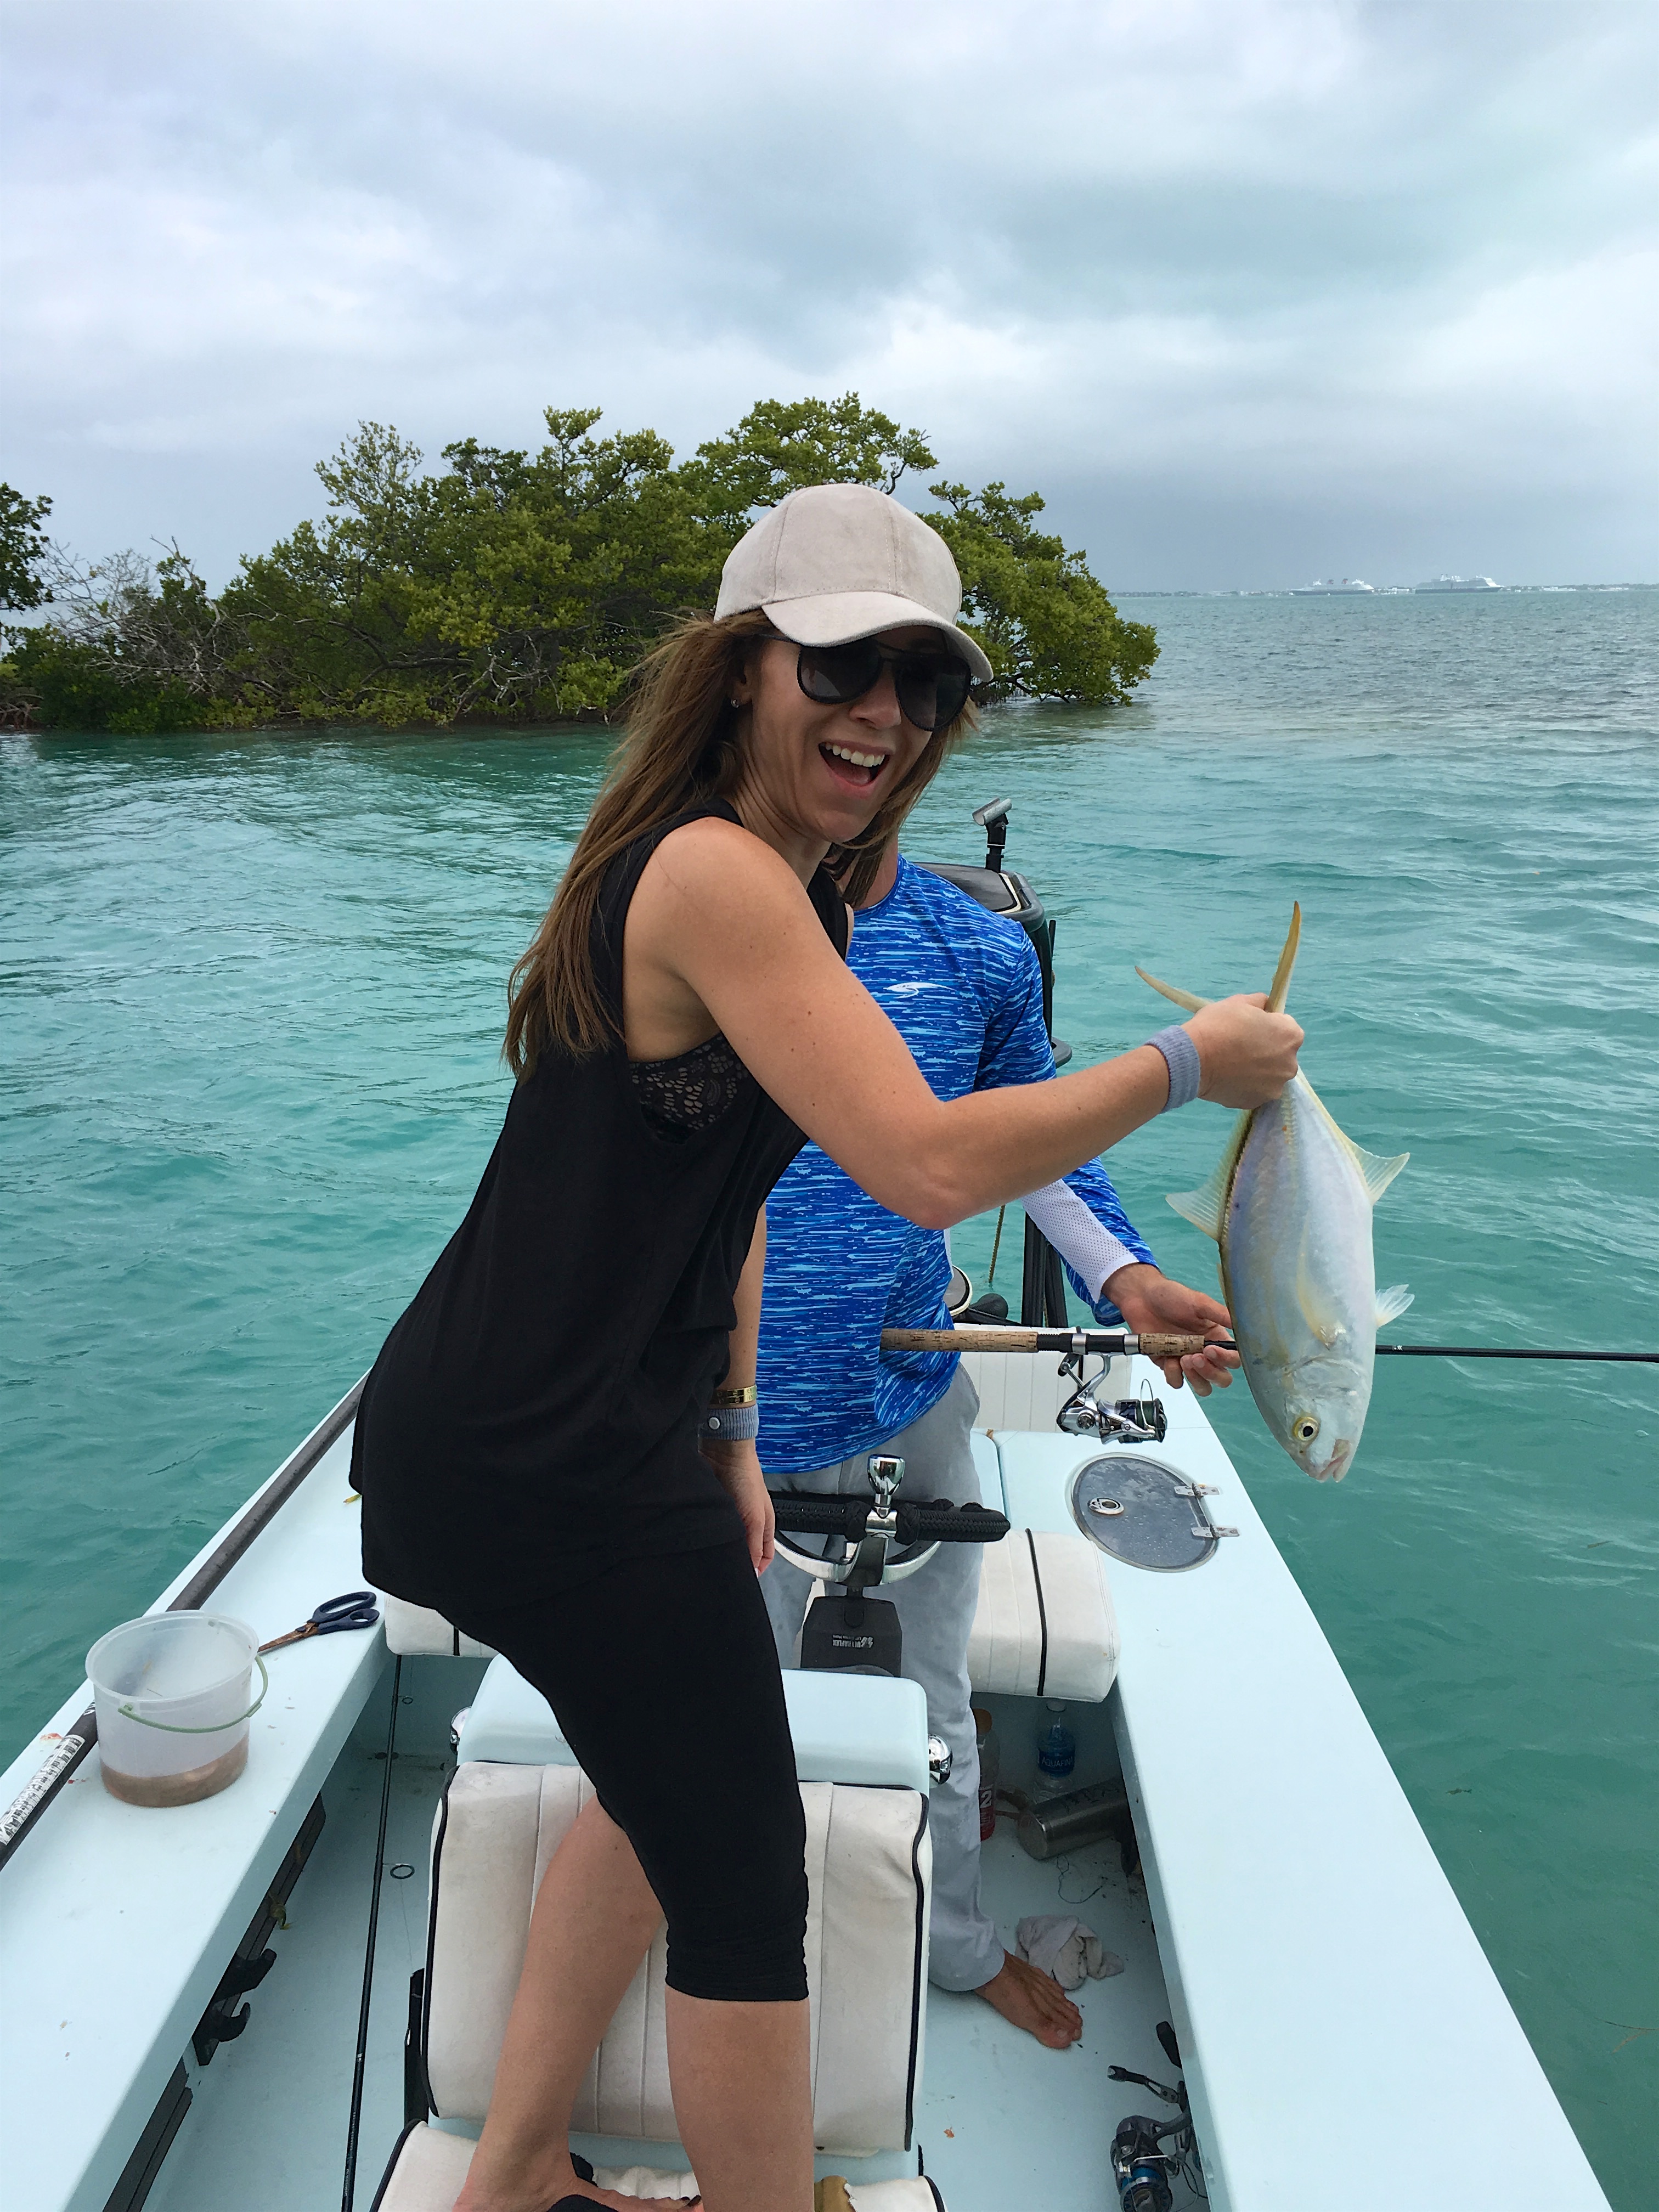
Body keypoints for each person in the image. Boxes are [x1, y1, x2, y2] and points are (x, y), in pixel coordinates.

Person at [352, 481, 1302, 2212]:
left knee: (655, 1802)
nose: (887, 711)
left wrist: (726, 1427)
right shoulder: (718, 876)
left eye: (926, 682)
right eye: (843, 664)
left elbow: (736, 1198)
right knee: (742, 1884)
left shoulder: (798, 901)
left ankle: (514, 2177)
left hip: (580, 1438)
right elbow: (924, 1162)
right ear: (742, 670)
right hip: (542, 1464)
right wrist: (1189, 1066)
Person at [757, 834, 1236, 2052]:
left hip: (905, 1407)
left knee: (935, 1710)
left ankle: (957, 1945)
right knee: (715, 1716)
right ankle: (741, 1938)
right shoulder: (700, 924)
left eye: (921, 722)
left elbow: (1038, 1149)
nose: (878, 738)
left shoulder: (977, 948)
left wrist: (1127, 1277)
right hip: (709, 1427)